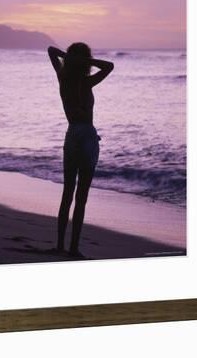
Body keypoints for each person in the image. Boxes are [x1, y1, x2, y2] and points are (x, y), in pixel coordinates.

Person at [47, 43, 114, 258]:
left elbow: (51, 51)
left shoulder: (63, 79)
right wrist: (84, 61)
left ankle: (60, 246)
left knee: (68, 193)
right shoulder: (87, 81)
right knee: (80, 197)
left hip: (73, 134)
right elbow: (108, 66)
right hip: (86, 136)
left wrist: (71, 58)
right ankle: (73, 249)